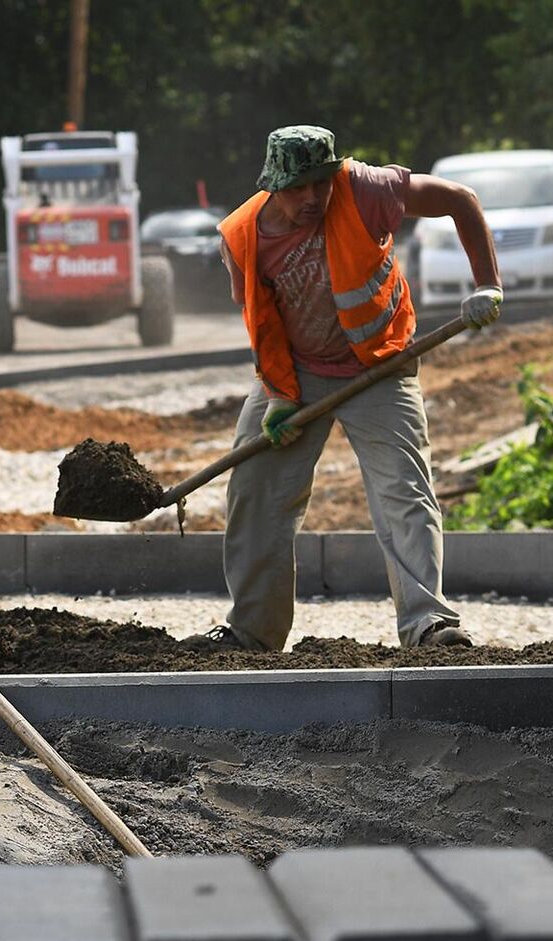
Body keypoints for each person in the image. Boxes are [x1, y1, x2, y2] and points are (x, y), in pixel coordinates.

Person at [185, 125, 503, 653]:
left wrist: (487, 281)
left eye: (320, 184)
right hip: (298, 371)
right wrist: (282, 397)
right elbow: (262, 325)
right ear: (272, 185)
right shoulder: (242, 236)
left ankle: (429, 624)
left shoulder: (365, 189)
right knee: (255, 486)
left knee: (405, 490)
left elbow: (459, 200)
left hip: (379, 362)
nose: (311, 198)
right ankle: (251, 633)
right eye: (297, 188)